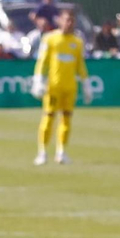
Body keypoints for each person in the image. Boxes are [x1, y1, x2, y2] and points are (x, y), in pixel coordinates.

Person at [32, 9, 89, 166]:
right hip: (53, 86)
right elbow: (42, 61)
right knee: (49, 117)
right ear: (60, 21)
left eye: (71, 20)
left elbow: (80, 65)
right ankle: (42, 152)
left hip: (70, 87)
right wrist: (38, 80)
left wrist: (86, 83)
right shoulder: (50, 39)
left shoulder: (77, 41)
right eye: (66, 20)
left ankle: (61, 152)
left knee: (66, 119)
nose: (68, 23)